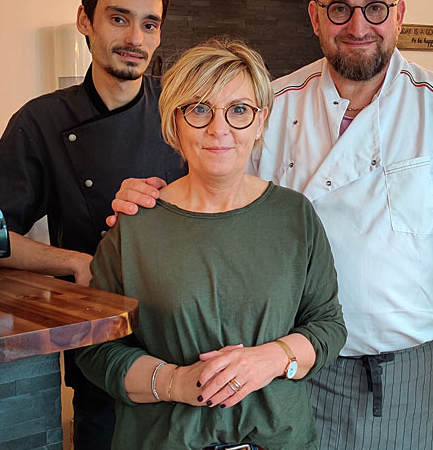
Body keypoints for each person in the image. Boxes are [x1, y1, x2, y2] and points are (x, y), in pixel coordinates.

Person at [111, 0, 433, 450]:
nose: (358, 25)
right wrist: (153, 196)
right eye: (340, 10)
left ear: (399, 15)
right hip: (291, 373)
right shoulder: (270, 106)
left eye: (375, 9)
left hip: (420, 370)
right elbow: (219, 202)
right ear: (315, 17)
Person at [77, 38, 347, 449]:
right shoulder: (135, 225)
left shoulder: (295, 216)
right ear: (174, 124)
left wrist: (271, 359)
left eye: (238, 110)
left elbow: (328, 326)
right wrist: (174, 382)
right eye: (199, 109)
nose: (219, 129)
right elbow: (96, 350)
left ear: (260, 122)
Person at [0, 0, 184, 450]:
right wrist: (73, 262)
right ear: (84, 21)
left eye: (149, 24)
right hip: (101, 339)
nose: (135, 37)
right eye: (119, 19)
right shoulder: (41, 121)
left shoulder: (185, 111)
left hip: (185, 332)